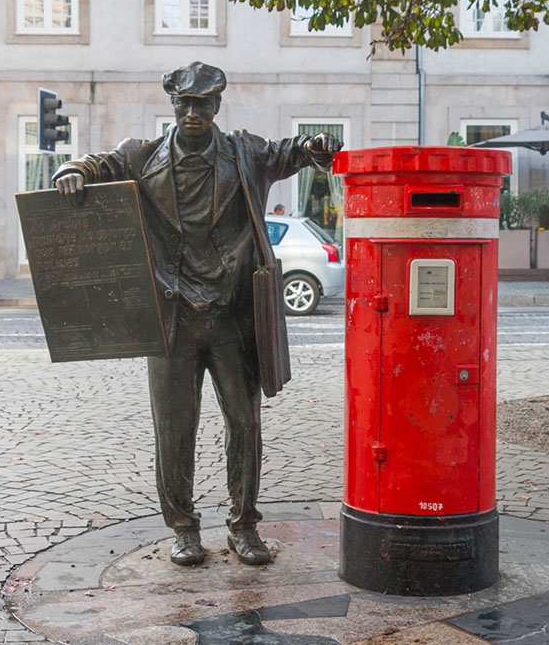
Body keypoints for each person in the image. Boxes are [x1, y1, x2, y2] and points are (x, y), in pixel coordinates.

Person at [52, 62, 342, 568]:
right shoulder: (141, 157)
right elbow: (98, 165)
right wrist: (73, 170)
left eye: (202, 104)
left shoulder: (244, 153)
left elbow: (290, 152)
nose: (192, 112)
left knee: (245, 423)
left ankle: (244, 525)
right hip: (171, 319)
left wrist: (316, 145)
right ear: (173, 104)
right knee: (174, 427)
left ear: (216, 106)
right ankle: (183, 528)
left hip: (233, 317)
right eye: (184, 103)